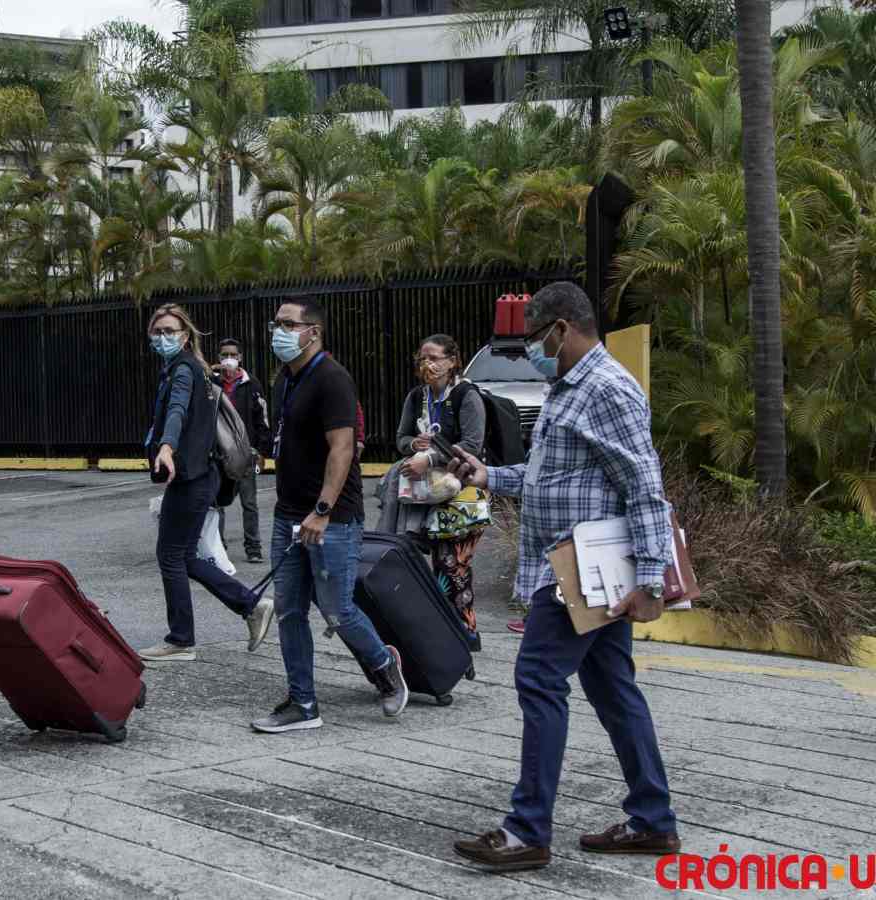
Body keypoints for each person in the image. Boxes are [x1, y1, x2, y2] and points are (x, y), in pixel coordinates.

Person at [446, 282, 679, 871]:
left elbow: (644, 486)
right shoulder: (566, 387)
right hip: (579, 569)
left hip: (581, 571)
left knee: (539, 679)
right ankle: (653, 820)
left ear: (561, 329)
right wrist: (487, 475)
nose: (530, 350)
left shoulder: (607, 389)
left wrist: (652, 579)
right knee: (613, 690)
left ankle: (527, 831)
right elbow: (547, 476)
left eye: (533, 338)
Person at [250, 295, 408, 734]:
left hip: (331, 518)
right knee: (290, 611)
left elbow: (342, 449)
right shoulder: (286, 380)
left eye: (288, 324)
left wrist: (322, 510)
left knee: (338, 611)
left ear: (313, 332)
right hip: (288, 515)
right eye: (276, 323)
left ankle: (383, 664)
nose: (278, 332)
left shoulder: (332, 379)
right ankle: (303, 703)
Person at [140, 305, 275, 663]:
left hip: (191, 476)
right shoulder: (195, 369)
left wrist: (167, 446)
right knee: (184, 555)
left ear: (185, 336)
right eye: (157, 332)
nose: (162, 338)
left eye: (169, 331)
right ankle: (251, 605)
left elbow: (177, 410)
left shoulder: (184, 370)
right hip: (200, 475)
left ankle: (181, 640)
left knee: (170, 555)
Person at [379, 335, 486, 634]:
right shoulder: (416, 397)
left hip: (461, 488)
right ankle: (437, 631)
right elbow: (401, 438)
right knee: (413, 556)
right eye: (423, 358)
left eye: (435, 358)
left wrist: (430, 458)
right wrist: (414, 444)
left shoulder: (466, 395)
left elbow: (473, 445)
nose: (428, 364)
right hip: (422, 491)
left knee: (452, 565)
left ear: (452, 362)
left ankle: (463, 631)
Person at [212, 338, 271, 564]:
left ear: (240, 358)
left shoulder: (251, 384)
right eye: (225, 354)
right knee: (217, 503)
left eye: (233, 355)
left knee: (249, 503)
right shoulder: (211, 382)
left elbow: (261, 418)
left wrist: (261, 450)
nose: (229, 358)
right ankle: (218, 547)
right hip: (219, 453)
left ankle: (253, 548)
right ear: (218, 358)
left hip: (246, 453)